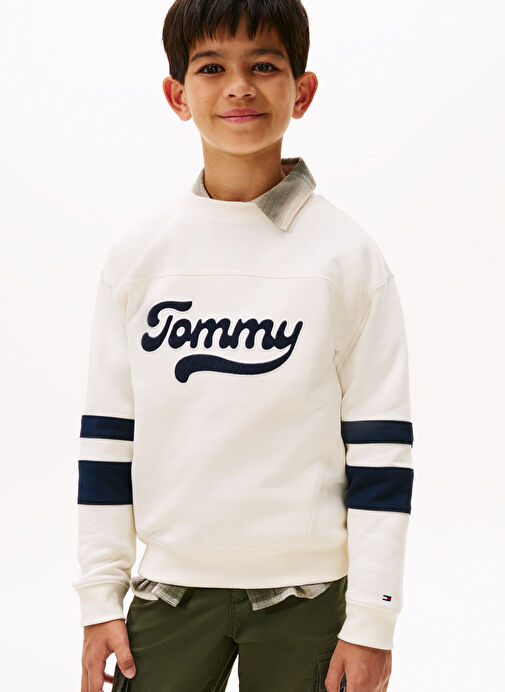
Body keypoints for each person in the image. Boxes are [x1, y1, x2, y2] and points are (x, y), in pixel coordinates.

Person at [73, 2, 415, 691]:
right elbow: (108, 440)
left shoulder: (347, 257)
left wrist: (372, 620)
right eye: (211, 68)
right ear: (177, 95)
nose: (238, 87)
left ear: (302, 91)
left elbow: (382, 451)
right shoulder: (140, 257)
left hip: (310, 596)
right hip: (169, 591)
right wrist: (99, 599)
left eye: (263, 65)